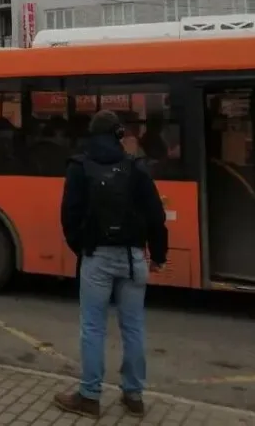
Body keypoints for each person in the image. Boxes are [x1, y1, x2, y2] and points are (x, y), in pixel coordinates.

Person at [53, 110, 169, 419]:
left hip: (97, 257)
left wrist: (83, 248)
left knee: (92, 327)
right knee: (133, 327)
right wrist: (158, 255)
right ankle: (133, 396)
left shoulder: (79, 167)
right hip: (132, 258)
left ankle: (89, 397)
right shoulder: (136, 166)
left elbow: (69, 217)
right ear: (119, 134)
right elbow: (156, 215)